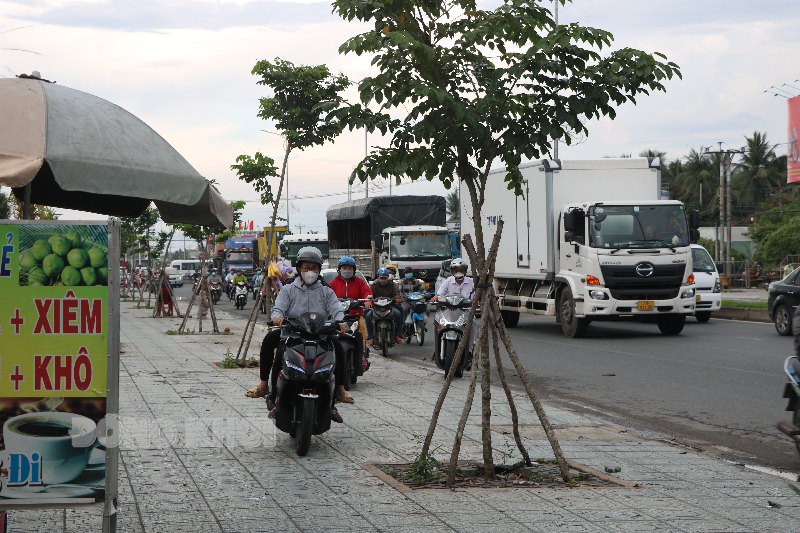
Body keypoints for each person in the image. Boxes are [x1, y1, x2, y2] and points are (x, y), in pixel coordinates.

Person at [245, 247, 352, 423]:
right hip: (293, 333)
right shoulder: (288, 289)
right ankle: (268, 390)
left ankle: (338, 393)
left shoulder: (326, 290)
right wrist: (278, 317)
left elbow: (336, 309)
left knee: (338, 348)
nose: (310, 271)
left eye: (314, 268)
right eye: (306, 267)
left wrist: (341, 322)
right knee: (275, 348)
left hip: (320, 334)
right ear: (299, 269)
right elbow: (278, 307)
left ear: (319, 270)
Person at [328, 257, 372, 370]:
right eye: (344, 267)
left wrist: (367, 300)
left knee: (361, 329)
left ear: (354, 269)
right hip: (338, 317)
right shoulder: (333, 283)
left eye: (349, 268)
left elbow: (367, 292)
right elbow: (326, 296)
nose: (347, 270)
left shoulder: (360, 282)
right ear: (339, 269)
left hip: (355, 315)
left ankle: (362, 355)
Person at [431, 258, 476, 364]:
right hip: (448, 312)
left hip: (465, 312)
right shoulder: (447, 281)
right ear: (452, 271)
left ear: (465, 270)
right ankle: (437, 349)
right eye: (456, 270)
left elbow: (476, 297)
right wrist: (435, 298)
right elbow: (439, 294)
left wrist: (477, 301)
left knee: (472, 322)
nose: (459, 272)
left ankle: (469, 351)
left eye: (461, 270)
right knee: (437, 322)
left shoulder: (471, 282)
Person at [365, 268, 404, 346]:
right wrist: (368, 301)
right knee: (367, 315)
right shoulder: (374, 285)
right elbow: (369, 295)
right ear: (378, 277)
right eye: (381, 278)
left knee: (399, 312)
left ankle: (397, 334)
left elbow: (397, 294)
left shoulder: (393, 285)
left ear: (388, 277)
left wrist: (397, 299)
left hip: (390, 306)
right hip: (376, 306)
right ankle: (371, 337)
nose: (383, 280)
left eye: (385, 278)